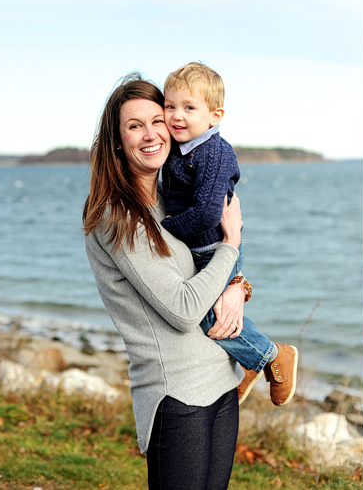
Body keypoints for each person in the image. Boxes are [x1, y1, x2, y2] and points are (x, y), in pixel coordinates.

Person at [83, 73, 246, 489]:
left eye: (159, 120)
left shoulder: (174, 199)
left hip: (223, 379)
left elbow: (203, 271)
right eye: (135, 125)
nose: (152, 133)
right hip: (177, 395)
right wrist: (231, 244)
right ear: (118, 140)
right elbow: (184, 309)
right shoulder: (116, 214)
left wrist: (238, 287)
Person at [159, 61, 298, 407]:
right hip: (201, 248)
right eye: (170, 105)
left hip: (212, 248)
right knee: (212, 315)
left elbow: (207, 212)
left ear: (215, 115)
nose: (177, 115)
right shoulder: (178, 149)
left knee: (211, 317)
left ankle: (271, 355)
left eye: (189, 107)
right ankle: (250, 366)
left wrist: (166, 230)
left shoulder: (214, 152)